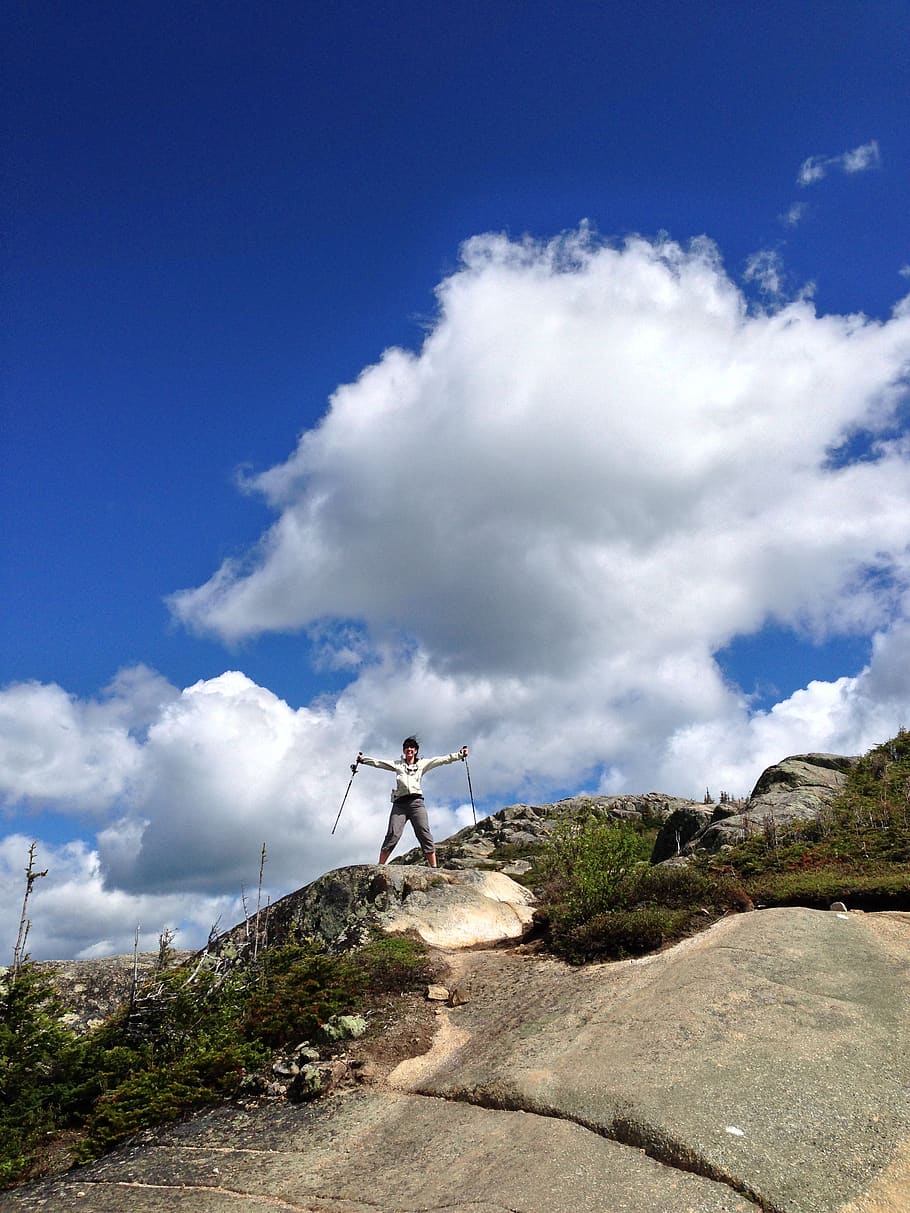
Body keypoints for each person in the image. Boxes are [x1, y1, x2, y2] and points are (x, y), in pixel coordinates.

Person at [357, 737, 468, 868]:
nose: (409, 749)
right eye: (406, 747)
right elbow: (379, 763)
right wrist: (363, 760)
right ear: (404, 750)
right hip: (399, 804)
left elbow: (442, 760)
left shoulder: (423, 764)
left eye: (412, 747)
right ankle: (380, 865)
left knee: (423, 832)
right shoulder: (398, 764)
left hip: (416, 803)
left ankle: (434, 867)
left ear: (415, 751)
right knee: (393, 833)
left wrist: (460, 754)